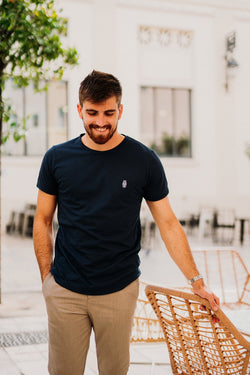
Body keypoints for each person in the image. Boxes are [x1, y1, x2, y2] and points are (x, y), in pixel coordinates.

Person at [33, 70, 219, 375]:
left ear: (120, 110)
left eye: (109, 113)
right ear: (79, 110)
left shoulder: (143, 160)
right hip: (65, 289)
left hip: (119, 290)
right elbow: (42, 219)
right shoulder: (57, 158)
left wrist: (197, 282)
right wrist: (46, 280)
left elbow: (169, 223)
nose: (101, 122)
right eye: (92, 113)